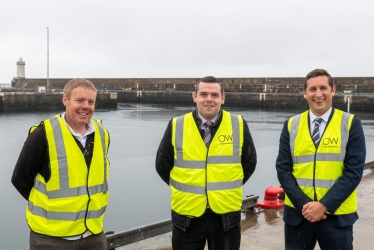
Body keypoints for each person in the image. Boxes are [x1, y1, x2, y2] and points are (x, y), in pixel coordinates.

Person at [156, 76, 257, 250]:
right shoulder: (177, 125)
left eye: (214, 95)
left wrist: (228, 186)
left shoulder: (238, 124)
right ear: (194, 96)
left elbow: (249, 162)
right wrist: (183, 187)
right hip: (187, 218)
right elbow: (162, 165)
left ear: (222, 98)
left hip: (226, 218)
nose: (209, 99)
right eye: (203, 94)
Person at [11, 78, 110, 250]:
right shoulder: (43, 134)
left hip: (93, 235)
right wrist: (49, 207)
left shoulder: (102, 134)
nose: (85, 106)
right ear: (65, 100)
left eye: (91, 102)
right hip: (52, 239)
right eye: (79, 100)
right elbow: (20, 179)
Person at [276, 69, 366, 250]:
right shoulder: (291, 125)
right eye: (312, 89)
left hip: (336, 217)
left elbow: (354, 171)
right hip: (299, 216)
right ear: (305, 93)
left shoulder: (350, 123)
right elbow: (283, 169)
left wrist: (324, 205)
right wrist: (306, 207)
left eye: (323, 88)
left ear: (333, 90)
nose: (318, 94)